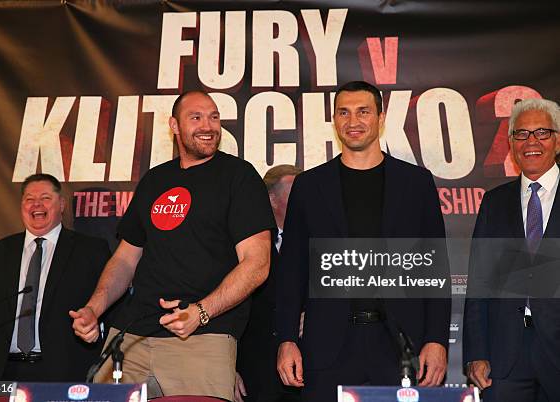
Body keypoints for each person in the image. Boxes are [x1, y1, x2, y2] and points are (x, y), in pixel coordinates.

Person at [71, 90, 275, 401]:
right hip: (131, 336)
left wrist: (200, 313)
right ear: (174, 126)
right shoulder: (155, 181)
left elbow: (257, 263)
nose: (208, 125)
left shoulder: (239, 176)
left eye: (214, 117)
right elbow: (126, 258)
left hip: (203, 337)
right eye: (196, 117)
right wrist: (93, 309)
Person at [275, 81, 451, 401]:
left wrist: (436, 340)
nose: (353, 121)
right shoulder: (309, 186)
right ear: (334, 120)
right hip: (328, 346)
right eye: (344, 112)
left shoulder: (416, 183)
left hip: (401, 345)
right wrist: (286, 339)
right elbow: (292, 272)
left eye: (363, 112)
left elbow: (435, 269)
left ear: (380, 119)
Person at [0, 173, 110, 393]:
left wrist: (95, 329)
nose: (36, 205)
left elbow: (109, 308)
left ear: (61, 204)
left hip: (64, 375)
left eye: (45, 198)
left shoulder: (91, 251)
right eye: (29, 199)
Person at [463, 98, 560, 402]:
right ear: (510, 144)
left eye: (541, 133)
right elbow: (479, 283)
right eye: (521, 134)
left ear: (557, 141)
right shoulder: (494, 203)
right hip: (505, 357)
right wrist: (476, 352)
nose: (531, 142)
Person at [236, 164, 302, 402]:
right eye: (296, 192)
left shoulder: (319, 243)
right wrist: (228, 368)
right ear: (271, 199)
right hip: (254, 373)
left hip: (305, 373)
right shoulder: (242, 245)